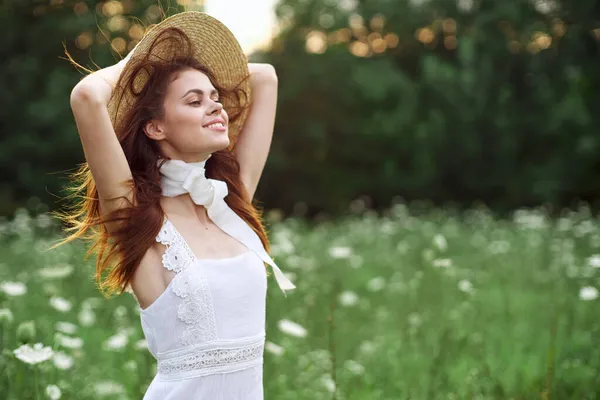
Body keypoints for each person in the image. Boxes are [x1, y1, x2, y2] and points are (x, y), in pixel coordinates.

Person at [59, 11, 295, 399]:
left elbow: (264, 76)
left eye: (216, 97)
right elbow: (87, 97)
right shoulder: (138, 221)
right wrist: (139, 63)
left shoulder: (229, 205)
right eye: (194, 100)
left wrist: (186, 68)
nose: (216, 107)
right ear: (156, 127)